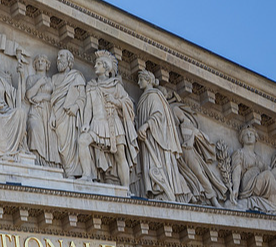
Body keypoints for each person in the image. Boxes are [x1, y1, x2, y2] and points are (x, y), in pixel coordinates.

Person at [77, 51, 136, 185]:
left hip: (113, 124)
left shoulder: (116, 86)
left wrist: (115, 102)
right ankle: (87, 175)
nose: (95, 67)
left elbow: (128, 104)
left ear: (106, 68)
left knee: (120, 155)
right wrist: (86, 122)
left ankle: (125, 188)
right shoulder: (91, 85)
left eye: (98, 64)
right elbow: (88, 107)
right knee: (82, 141)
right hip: (97, 123)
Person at [135, 70, 192, 202]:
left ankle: (163, 190)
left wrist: (146, 125)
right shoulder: (145, 97)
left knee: (158, 164)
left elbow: (158, 115)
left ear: (148, 80)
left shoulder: (153, 96)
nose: (138, 83)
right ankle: (156, 190)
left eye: (141, 80)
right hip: (148, 138)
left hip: (157, 140)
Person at [228, 125, 276, 215]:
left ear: (256, 138)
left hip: (259, 183)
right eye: (245, 134)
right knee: (267, 175)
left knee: (271, 177)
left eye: (251, 134)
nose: (249, 136)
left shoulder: (258, 158)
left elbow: (271, 172)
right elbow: (237, 171)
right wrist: (235, 189)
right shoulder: (239, 153)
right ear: (241, 138)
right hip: (247, 184)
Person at [50, 50, 86, 176]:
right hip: (57, 113)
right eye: (57, 56)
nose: (58, 59)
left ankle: (72, 173)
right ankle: (66, 171)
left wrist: (76, 107)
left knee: (72, 143)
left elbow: (82, 97)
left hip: (70, 115)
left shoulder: (77, 77)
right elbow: (52, 99)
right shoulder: (54, 78)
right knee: (61, 142)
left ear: (69, 60)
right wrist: (52, 115)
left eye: (61, 56)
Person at [25, 54, 57, 166]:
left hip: (48, 111)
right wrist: (39, 83)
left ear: (47, 65)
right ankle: (37, 160)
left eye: (43, 61)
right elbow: (29, 95)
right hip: (36, 111)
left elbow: (56, 97)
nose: (40, 63)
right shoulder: (31, 79)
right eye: (38, 61)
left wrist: (42, 97)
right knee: (34, 129)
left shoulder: (51, 80)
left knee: (49, 138)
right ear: (34, 65)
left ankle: (47, 163)